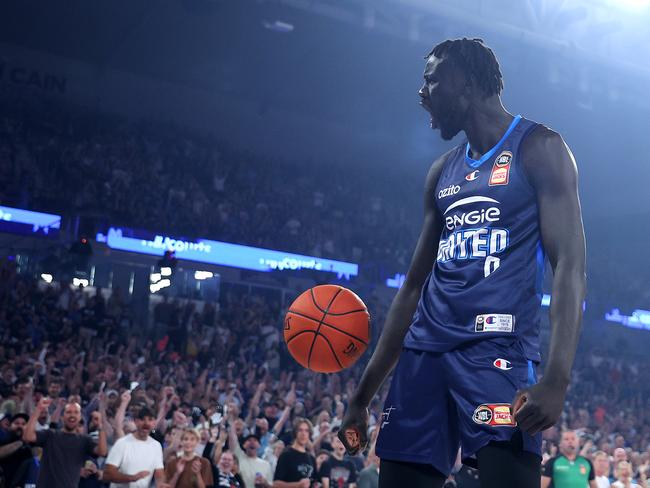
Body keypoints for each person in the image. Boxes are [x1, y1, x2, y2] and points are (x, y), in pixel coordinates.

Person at [338, 37, 587, 488]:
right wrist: (362, 397)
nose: (422, 92)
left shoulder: (540, 148)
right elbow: (413, 288)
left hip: (496, 352)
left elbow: (569, 265)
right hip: (424, 355)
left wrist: (557, 378)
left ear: (466, 84)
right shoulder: (442, 171)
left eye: (432, 80)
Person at [23, 398, 108, 487]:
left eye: (76, 412)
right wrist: (38, 410)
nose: (72, 415)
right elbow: (27, 436)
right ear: (62, 417)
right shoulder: (50, 434)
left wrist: (100, 426)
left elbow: (102, 451)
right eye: (68, 412)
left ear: (79, 417)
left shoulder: (85, 440)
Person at [103, 406, 170, 488]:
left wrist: (160, 484)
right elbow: (107, 474)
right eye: (142, 419)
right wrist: (132, 478)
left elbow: (159, 472)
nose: (146, 423)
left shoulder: (156, 445)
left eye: (150, 419)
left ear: (154, 423)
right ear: (135, 421)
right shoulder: (122, 443)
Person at [273, 418, 316, 488]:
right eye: (300, 430)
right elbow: (276, 484)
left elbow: (314, 482)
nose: (303, 434)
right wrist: (298, 485)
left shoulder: (312, 459)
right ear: (295, 433)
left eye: (306, 431)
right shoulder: (286, 455)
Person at [228, 423, 273, 488]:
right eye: (249, 440)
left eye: (255, 440)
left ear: (259, 446)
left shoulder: (266, 464)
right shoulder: (239, 456)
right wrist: (231, 422)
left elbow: (271, 485)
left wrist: (265, 483)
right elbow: (232, 438)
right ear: (244, 445)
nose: (252, 442)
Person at [0, 413, 32, 485]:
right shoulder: (3, 440)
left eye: (23, 424)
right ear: (10, 426)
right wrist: (21, 442)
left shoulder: (31, 445)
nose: (20, 426)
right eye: (16, 423)